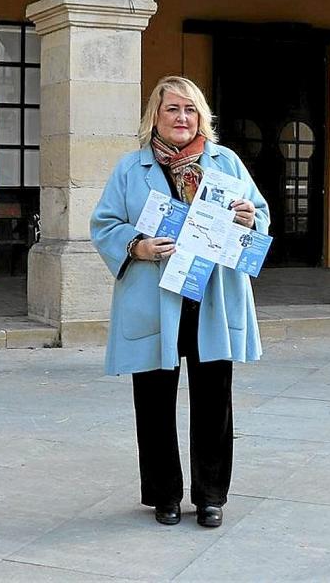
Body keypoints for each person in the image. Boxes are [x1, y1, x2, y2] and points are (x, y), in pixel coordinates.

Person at [90, 76, 269, 528]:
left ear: (201, 116)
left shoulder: (224, 162)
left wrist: (249, 217)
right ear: (156, 115)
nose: (182, 119)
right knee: (153, 400)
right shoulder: (131, 168)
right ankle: (163, 495)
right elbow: (104, 223)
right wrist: (138, 246)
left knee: (214, 400)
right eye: (172, 109)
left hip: (212, 294)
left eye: (190, 110)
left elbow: (259, 215)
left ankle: (211, 497)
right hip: (155, 295)